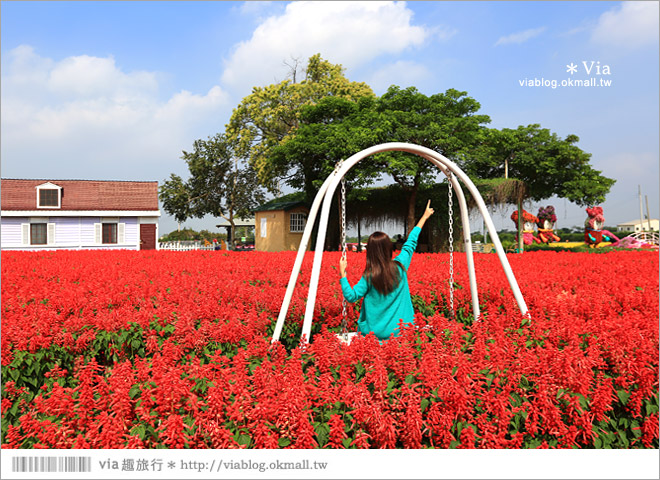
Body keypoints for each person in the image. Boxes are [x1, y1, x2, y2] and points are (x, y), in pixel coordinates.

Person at [339, 200, 435, 340]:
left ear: (370, 252)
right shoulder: (400, 265)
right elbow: (410, 243)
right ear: (389, 248)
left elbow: (351, 296)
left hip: (374, 335)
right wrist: (424, 217)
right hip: (403, 332)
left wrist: (342, 274)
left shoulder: (369, 276)